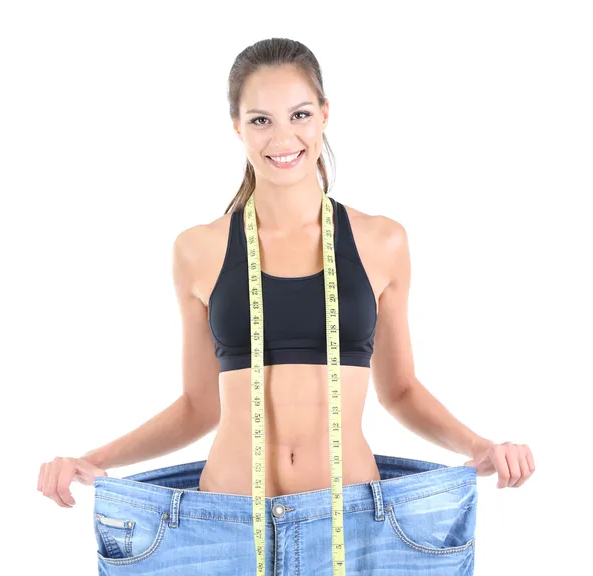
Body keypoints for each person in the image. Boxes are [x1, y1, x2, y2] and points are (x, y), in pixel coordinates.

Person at [38, 38, 535, 574]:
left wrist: (480, 445)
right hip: (223, 526)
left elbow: (401, 390)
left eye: (299, 114)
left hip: (352, 519)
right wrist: (95, 460)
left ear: (324, 115)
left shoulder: (381, 241)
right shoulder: (198, 249)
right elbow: (198, 406)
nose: (282, 137)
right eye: (259, 120)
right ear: (236, 127)